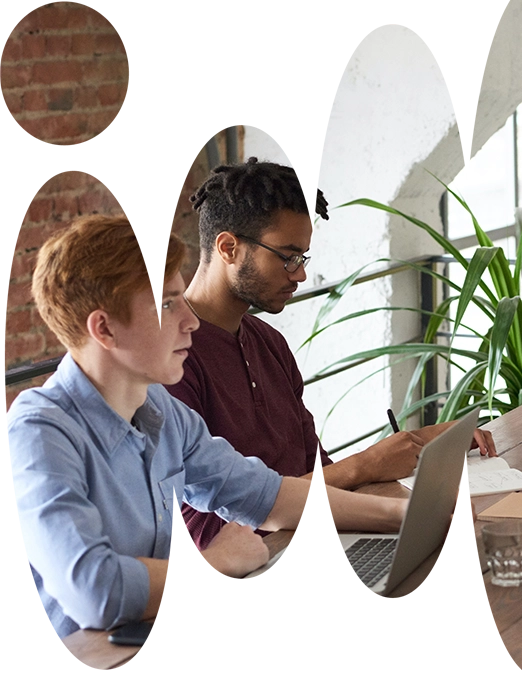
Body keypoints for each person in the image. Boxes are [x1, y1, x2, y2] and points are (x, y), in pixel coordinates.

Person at [7, 215, 418, 636]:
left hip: (148, 635)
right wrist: (215, 563)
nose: (190, 321)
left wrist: (403, 515)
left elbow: (270, 496)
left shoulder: (161, 409)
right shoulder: (39, 432)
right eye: (166, 304)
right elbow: (96, 592)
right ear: (105, 328)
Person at [171, 158, 494, 550]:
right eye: (287, 257)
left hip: (315, 540)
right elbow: (202, 534)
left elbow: (317, 470)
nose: (300, 274)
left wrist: (423, 445)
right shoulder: (172, 360)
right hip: (241, 575)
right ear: (228, 248)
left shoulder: (269, 343)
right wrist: (367, 464)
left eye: (302, 258)